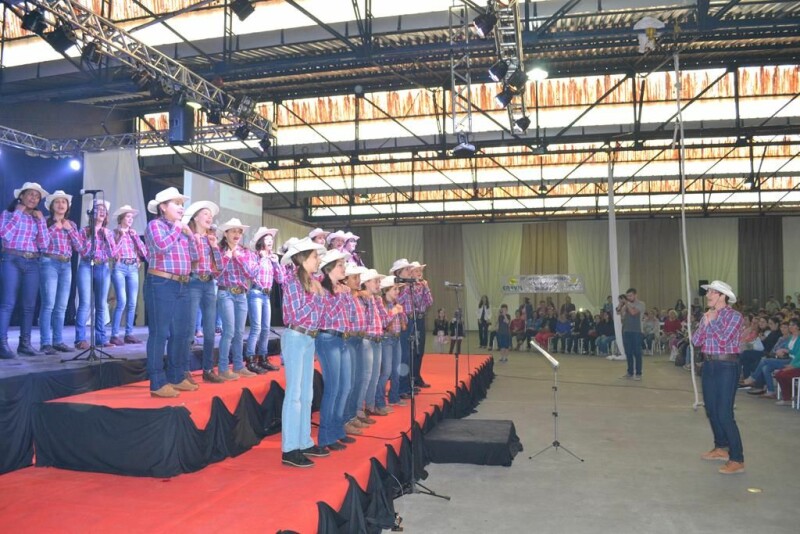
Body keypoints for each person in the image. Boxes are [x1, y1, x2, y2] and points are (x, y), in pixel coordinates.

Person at [279, 237, 329, 467]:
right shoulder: (292, 282)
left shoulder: (312, 282)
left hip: (309, 338)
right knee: (295, 395)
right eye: (315, 256)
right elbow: (296, 314)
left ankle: (304, 441)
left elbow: (321, 314)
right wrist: (316, 296)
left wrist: (319, 294)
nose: (318, 260)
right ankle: (289, 448)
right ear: (303, 259)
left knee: (306, 394)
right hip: (296, 336)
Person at [144, 187, 198, 398]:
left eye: (181, 203)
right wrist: (178, 229)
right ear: (163, 207)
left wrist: (190, 236)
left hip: (182, 284)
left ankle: (176, 376)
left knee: (181, 334)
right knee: (160, 333)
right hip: (161, 282)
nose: (181, 207)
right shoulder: (155, 225)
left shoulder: (182, 230)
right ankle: (157, 382)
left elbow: (194, 257)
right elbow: (161, 246)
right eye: (176, 203)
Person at [692, 280, 746, 475]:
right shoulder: (707, 316)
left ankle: (737, 458)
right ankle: (721, 447)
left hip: (726, 365)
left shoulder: (735, 316)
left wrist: (711, 322)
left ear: (722, 296)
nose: (708, 296)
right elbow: (696, 340)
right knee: (712, 410)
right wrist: (706, 323)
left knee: (724, 413)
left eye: (712, 293)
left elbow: (724, 340)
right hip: (709, 364)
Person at [1, 182, 50, 359]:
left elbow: (44, 245)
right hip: (12, 259)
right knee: (7, 304)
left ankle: (25, 344)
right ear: (21, 196)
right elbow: (4, 235)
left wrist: (42, 222)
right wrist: (18, 214)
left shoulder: (37, 218)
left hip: (32, 262)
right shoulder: (8, 214)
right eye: (30, 194)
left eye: (37, 196)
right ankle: (2, 344)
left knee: (29, 306)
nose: (33, 198)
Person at [183, 200, 225, 384]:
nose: (210, 217)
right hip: (192, 282)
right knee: (189, 328)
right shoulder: (187, 236)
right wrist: (195, 239)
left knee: (210, 330)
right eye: (206, 214)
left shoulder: (210, 239)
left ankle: (208, 369)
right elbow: (188, 260)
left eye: (211, 215)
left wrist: (215, 246)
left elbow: (221, 266)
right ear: (196, 217)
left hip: (209, 284)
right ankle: (184, 370)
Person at [315, 248, 351, 452]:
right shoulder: (322, 288)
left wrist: (344, 295)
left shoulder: (340, 289)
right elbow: (324, 315)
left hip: (341, 338)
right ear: (329, 268)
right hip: (327, 338)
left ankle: (337, 430)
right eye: (340, 265)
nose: (344, 267)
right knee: (333, 388)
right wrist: (339, 296)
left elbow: (349, 317)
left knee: (344, 387)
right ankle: (326, 436)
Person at [39, 190, 81, 355]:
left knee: (61, 306)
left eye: (64, 202)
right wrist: (55, 228)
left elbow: (80, 247)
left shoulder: (72, 225)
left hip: (66, 265)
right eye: (57, 202)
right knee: (48, 304)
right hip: (49, 262)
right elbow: (41, 244)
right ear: (51, 206)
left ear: (67, 206)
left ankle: (58, 341)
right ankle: (45, 342)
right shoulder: (45, 222)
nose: (61, 205)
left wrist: (69, 229)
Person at [216, 218, 258, 380]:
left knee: (240, 332)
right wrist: (227, 257)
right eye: (233, 231)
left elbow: (252, 273)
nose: (237, 234)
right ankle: (223, 368)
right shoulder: (218, 250)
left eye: (239, 231)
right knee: (229, 332)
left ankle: (239, 366)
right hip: (225, 292)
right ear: (225, 233)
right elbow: (216, 272)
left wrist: (238, 257)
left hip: (241, 294)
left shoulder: (246, 252)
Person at [75, 199, 118, 350]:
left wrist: (107, 237)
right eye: (98, 209)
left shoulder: (109, 233)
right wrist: (91, 235)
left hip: (103, 267)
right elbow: (83, 252)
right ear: (91, 212)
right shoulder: (84, 231)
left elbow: (113, 254)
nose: (101, 211)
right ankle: (80, 339)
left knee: (101, 304)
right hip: (87, 266)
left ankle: (101, 338)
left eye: (104, 209)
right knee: (85, 303)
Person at [246, 227, 284, 373]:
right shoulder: (254, 256)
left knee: (266, 329)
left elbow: (280, 280)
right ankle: (250, 359)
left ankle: (263, 357)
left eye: (271, 239)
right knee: (256, 328)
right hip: (256, 292)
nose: (270, 241)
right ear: (261, 241)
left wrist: (276, 263)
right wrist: (261, 258)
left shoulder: (271, 258)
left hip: (266, 295)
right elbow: (250, 273)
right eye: (267, 239)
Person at [109, 205, 148, 346]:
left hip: (132, 267)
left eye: (132, 217)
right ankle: (114, 334)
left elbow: (144, 252)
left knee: (132, 302)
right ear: (121, 218)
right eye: (128, 216)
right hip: (120, 267)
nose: (131, 219)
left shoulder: (134, 234)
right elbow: (113, 252)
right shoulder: (114, 233)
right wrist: (122, 236)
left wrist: (135, 238)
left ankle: (129, 334)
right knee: (122, 301)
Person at [377, 275, 407, 410]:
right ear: (386, 290)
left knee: (396, 370)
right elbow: (383, 323)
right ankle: (380, 402)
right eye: (395, 289)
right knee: (386, 371)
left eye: (398, 289)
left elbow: (404, 323)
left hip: (396, 338)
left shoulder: (396, 304)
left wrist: (401, 313)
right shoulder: (380, 304)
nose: (397, 292)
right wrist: (394, 312)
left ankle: (394, 397)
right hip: (386, 339)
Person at [361, 269, 387, 418]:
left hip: (377, 339)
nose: (379, 284)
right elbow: (366, 321)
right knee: (367, 376)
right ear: (366, 283)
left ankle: (369, 407)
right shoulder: (363, 299)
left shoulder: (376, 300)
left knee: (375, 375)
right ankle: (360, 408)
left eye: (379, 281)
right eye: (375, 281)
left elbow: (384, 320)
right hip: (367, 339)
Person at [618, 288, 645, 380]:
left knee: (637, 352)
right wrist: (621, 307)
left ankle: (638, 373)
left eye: (630, 295)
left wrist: (626, 303)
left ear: (635, 295)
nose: (629, 297)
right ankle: (629, 372)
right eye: (627, 296)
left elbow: (633, 312)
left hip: (637, 331)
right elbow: (622, 317)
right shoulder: (626, 305)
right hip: (626, 331)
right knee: (628, 352)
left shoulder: (641, 304)